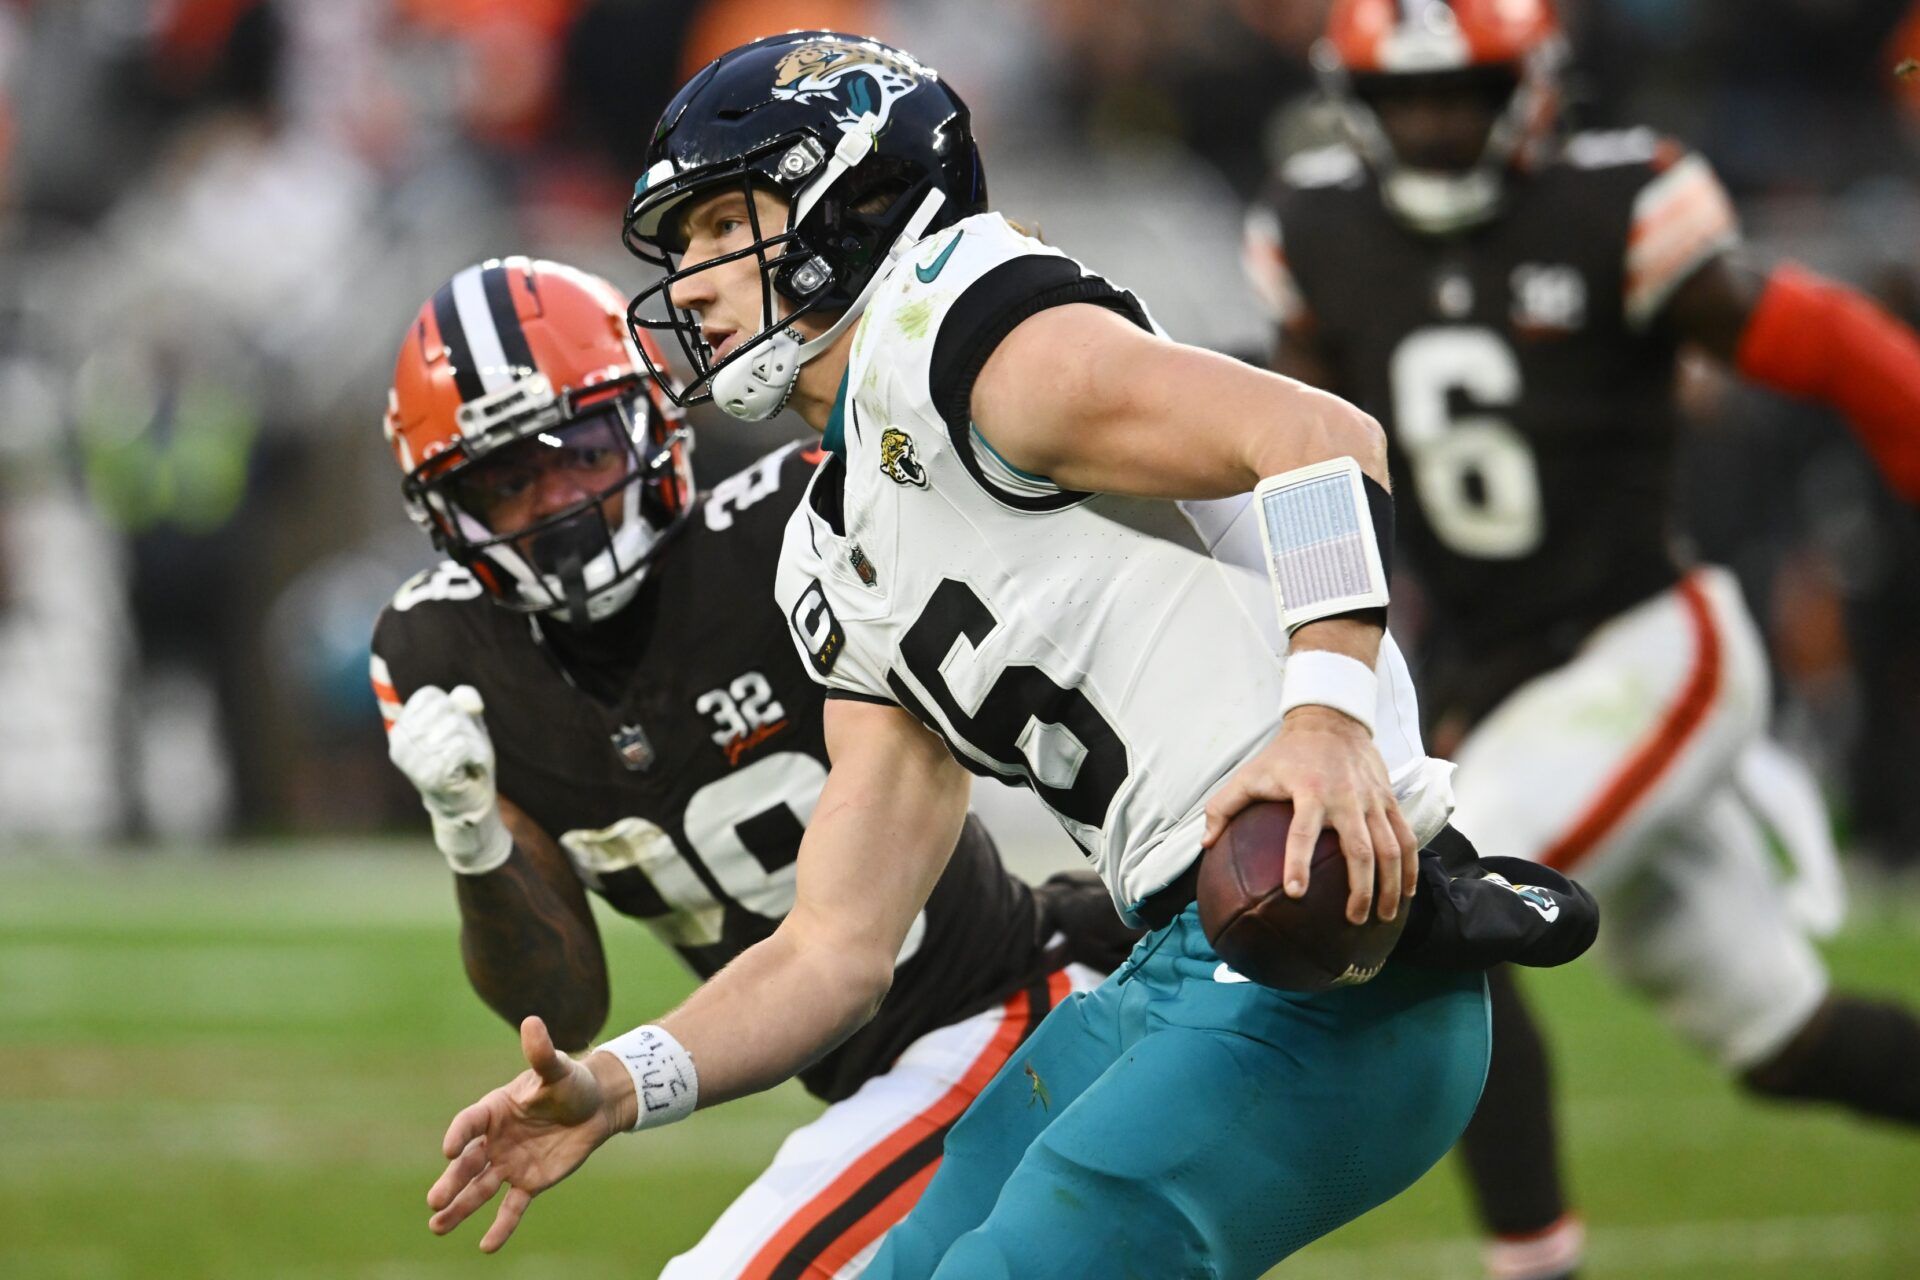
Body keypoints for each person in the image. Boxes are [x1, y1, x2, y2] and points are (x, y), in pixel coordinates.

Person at [425, 34, 1595, 1278]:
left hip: (1333, 954)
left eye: (723, 226)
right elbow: (835, 946)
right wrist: (623, 1081)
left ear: (848, 199)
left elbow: (1315, 437)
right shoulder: (829, 546)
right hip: (1170, 969)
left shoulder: (955, 332)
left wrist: (1326, 716)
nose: (695, 281)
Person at [1243, 3, 1920, 1278]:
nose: (1437, 127)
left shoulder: (1624, 199)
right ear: (1354, 99)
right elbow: (1312, 470)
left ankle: (1535, 1265)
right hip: (1508, 685)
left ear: (1535, 86)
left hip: (1654, 638)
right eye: (1407, 101)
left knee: (1439, 906)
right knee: (1787, 1040)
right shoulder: (1311, 228)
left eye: (1465, 94)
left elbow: (1824, 342)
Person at [373, 255, 1141, 1276]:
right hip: (876, 1065)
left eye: (584, 449)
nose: (558, 501)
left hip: (1005, 1004)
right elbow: (558, 1010)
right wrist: (472, 838)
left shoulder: (797, 530)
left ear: (652, 421)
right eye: (506, 481)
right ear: (446, 510)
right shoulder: (440, 653)